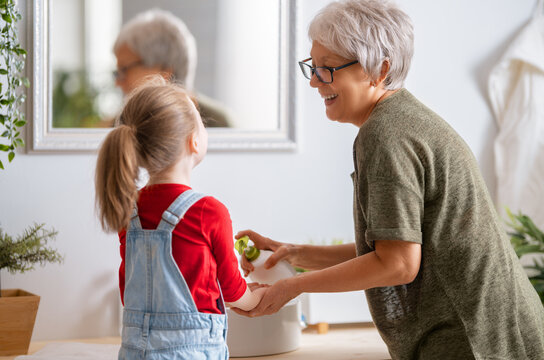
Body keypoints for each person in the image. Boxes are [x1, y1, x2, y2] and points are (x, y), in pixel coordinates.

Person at [231, 0, 544, 359]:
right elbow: (395, 248)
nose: (316, 81)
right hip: (497, 331)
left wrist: (290, 287)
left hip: (474, 340)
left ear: (380, 69)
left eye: (328, 68)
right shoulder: (400, 120)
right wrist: (296, 254)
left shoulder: (386, 135)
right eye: (313, 67)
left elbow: (397, 265)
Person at [94, 78, 266, 359]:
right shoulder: (209, 211)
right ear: (194, 141)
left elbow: (130, 293)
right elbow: (233, 291)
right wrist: (257, 296)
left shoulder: (129, 209)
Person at [113, 8, 233, 128]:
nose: (117, 83)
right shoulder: (119, 126)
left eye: (124, 70)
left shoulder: (220, 124)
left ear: (163, 72)